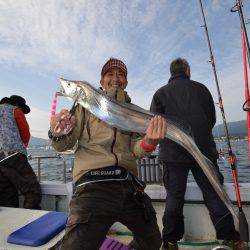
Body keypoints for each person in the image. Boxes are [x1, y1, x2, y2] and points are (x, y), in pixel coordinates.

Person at [49, 58, 167, 250]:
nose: (115, 78)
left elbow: (136, 150)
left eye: (120, 74)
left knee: (153, 242)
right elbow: (63, 145)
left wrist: (149, 143)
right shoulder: (83, 105)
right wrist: (57, 133)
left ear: (126, 81)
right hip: (92, 185)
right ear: (102, 80)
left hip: (129, 186)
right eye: (110, 74)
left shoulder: (134, 112)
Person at [150, 58, 242, 250]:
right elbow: (211, 119)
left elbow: (154, 124)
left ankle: (170, 241)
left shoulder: (160, 93)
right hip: (203, 150)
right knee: (214, 194)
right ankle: (230, 239)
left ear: (171, 72)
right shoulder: (202, 89)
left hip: (173, 153)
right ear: (187, 70)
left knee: (174, 196)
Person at [0, 95, 41, 209]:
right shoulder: (15, 110)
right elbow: (25, 133)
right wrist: (22, 147)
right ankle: (32, 223)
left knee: (6, 195)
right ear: (18, 105)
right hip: (13, 155)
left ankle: (12, 225)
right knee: (32, 191)